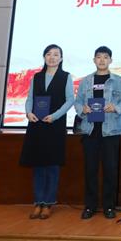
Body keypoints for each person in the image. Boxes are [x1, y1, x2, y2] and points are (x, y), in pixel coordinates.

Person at [19, 44, 74, 219]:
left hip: (55, 125)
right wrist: (28, 113)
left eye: (56, 54)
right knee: (38, 165)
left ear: (61, 58)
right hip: (37, 125)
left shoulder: (65, 77)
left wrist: (55, 116)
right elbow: (30, 98)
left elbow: (70, 100)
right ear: (44, 57)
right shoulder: (37, 77)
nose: (52, 57)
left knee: (52, 166)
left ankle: (48, 203)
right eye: (49, 54)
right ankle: (38, 202)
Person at [74, 46, 121, 220]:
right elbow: (78, 102)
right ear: (94, 60)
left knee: (110, 170)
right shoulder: (86, 81)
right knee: (90, 170)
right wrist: (83, 109)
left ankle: (109, 206)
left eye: (105, 57)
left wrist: (115, 107)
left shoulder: (118, 81)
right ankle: (90, 206)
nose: (102, 60)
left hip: (110, 132)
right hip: (90, 131)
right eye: (99, 57)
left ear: (110, 60)